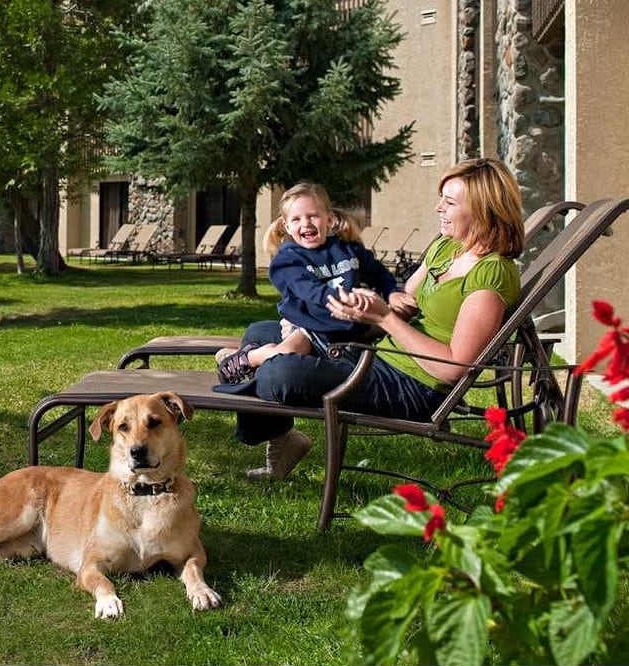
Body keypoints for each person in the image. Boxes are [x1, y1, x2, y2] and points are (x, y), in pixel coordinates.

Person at [222, 158, 525, 481]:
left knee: (279, 372)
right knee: (262, 329)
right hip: (380, 353)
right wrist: (356, 308)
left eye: (449, 202)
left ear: (482, 209)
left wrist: (385, 319)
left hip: (415, 385)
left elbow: (456, 368)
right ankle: (283, 439)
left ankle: (253, 367)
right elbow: (403, 300)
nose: (438, 208)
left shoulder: (490, 274)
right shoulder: (445, 249)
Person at [215, 182, 417, 388]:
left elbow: (379, 273)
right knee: (288, 353)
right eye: (296, 219)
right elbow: (309, 291)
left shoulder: (348, 249)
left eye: (313, 216)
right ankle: (249, 358)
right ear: (287, 226)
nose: (306, 223)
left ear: (328, 219)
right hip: (308, 322)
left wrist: (392, 293)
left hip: (346, 323)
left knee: (384, 328)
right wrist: (343, 300)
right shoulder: (287, 260)